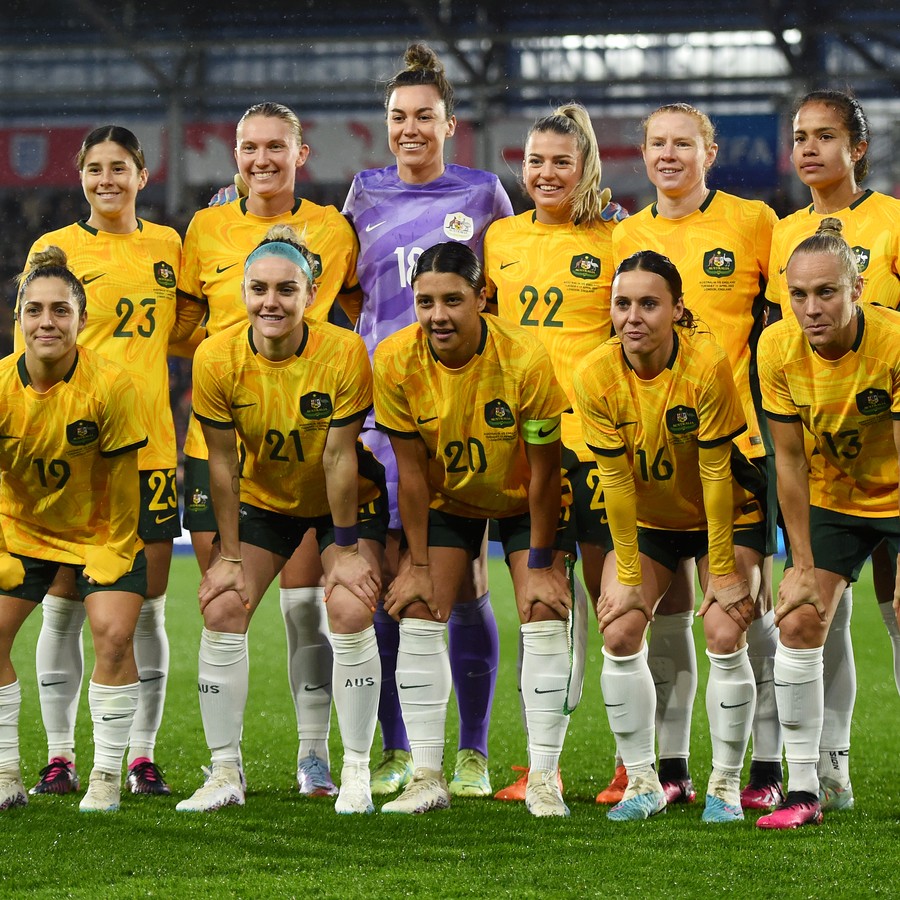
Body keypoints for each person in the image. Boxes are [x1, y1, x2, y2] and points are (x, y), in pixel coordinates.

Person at [342, 43, 514, 798]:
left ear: (451, 124)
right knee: (388, 583)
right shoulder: (363, 193)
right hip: (383, 412)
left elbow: (505, 284)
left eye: (424, 118)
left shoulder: (483, 193)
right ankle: (399, 748)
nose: (410, 129)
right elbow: (349, 294)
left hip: (460, 415)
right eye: (397, 118)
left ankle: (472, 752)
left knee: (466, 577)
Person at [180, 101, 362, 797]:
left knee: (306, 601)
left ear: (301, 153)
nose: (262, 160)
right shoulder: (205, 227)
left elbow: (353, 309)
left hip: (310, 438)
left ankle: (313, 756)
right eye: (250, 147)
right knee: (224, 594)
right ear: (234, 153)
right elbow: (184, 324)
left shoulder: (333, 229)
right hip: (221, 440)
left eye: (275, 148)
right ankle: (224, 766)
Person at [608, 102, 781, 810]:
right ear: (644, 154)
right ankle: (669, 770)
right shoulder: (627, 232)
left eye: (684, 143)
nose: (669, 155)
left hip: (737, 449)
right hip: (657, 453)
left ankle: (769, 768)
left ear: (711, 151)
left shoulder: (754, 221)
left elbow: (782, 325)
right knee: (658, 615)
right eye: (657, 144)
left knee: (743, 613)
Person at [373, 242, 574, 817]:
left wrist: (541, 563)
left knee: (541, 609)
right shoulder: (394, 361)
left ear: (482, 298)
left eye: (453, 300)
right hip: (448, 500)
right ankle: (428, 778)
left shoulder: (525, 358)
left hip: (519, 499)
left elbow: (543, 475)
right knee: (417, 608)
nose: (438, 315)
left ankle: (542, 779)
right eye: (426, 301)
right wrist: (414, 565)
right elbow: (410, 476)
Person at [22, 126, 187, 797]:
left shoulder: (168, 247)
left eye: (120, 168)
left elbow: (189, 330)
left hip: (148, 451)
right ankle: (60, 757)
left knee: (145, 607)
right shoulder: (53, 249)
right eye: (96, 169)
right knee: (63, 604)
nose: (108, 180)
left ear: (142, 175)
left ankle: (141, 756)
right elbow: (33, 351)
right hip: (75, 459)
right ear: (82, 176)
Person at [573, 250, 766, 823]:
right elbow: (615, 486)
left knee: (726, 629)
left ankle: (726, 786)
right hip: (648, 520)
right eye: (622, 303)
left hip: (723, 513)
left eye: (649, 304)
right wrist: (629, 576)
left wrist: (726, 569)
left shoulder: (706, 365)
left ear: (678, 310)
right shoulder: (594, 374)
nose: (633, 316)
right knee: (620, 630)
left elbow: (715, 475)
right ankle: (642, 781)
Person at [483, 102, 621, 800]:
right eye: (535, 160)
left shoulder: (614, 239)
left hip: (596, 447)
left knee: (615, 608)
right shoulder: (499, 237)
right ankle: (546, 763)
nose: (545, 173)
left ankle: (637, 763)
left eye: (560, 161)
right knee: (541, 604)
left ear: (584, 166)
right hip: (524, 446)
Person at [766, 90, 900, 812]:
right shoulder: (783, 234)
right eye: (800, 136)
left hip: (890, 444)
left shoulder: (895, 220)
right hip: (828, 465)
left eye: (826, 135)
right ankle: (827, 770)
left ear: (859, 147)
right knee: (815, 612)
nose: (810, 148)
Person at [0, 247, 147, 813]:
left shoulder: (112, 384)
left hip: (99, 530)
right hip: (21, 528)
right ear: (19, 316)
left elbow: (126, 480)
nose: (46, 322)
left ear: (82, 320)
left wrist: (114, 545)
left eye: (60, 310)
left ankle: (106, 780)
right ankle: (8, 775)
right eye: (34, 310)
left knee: (112, 634)